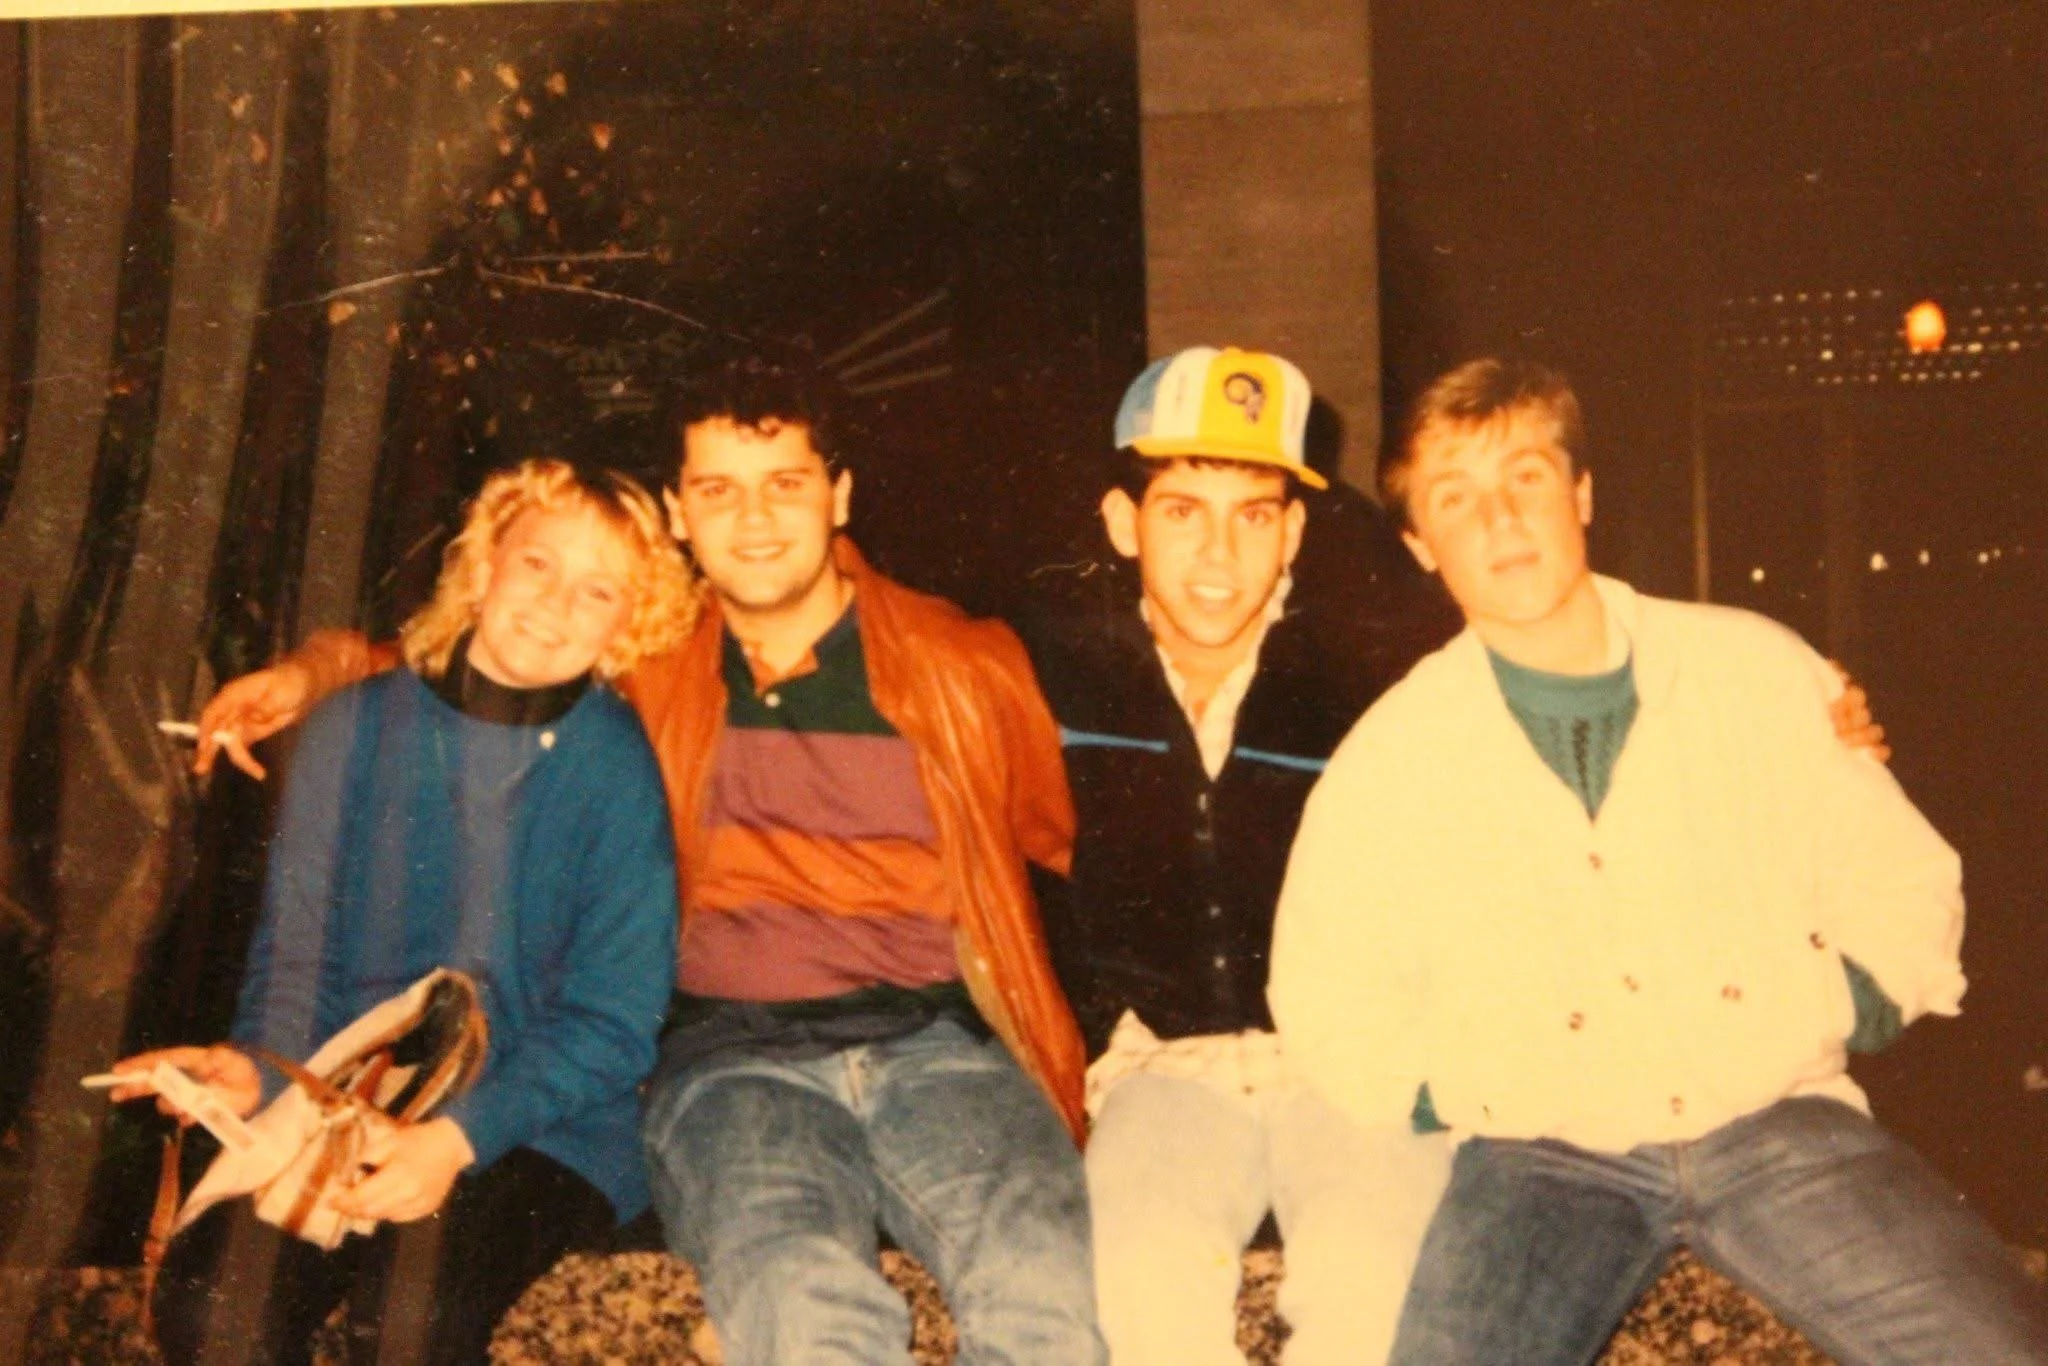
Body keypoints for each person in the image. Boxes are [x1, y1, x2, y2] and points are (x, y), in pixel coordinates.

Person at [192, 353, 1106, 1365]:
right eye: (718, 491)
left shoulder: (966, 665)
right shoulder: (653, 654)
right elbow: (474, 655)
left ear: (839, 494)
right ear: (677, 512)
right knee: (810, 1316)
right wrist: (304, 671)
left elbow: (1068, 850)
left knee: (1048, 1301)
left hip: (940, 1044)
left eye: (785, 485)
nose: (753, 521)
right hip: (735, 1059)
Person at [1269, 357, 2048, 1365]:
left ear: (1581, 493)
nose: (1500, 519)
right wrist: (1470, 1087)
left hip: (1779, 1122)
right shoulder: (1389, 756)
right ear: (1420, 544)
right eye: (1455, 499)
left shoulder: (1756, 667)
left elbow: (1901, 879)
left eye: (1527, 478)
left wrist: (1833, 1004)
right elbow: (1325, 995)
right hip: (1542, 1158)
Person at [115, 458, 689, 1364]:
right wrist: (255, 1073)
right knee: (208, 1306)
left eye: (599, 590)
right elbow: (296, 963)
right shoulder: (351, 729)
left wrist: (457, 1140)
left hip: (540, 1125)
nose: (554, 607)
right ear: (487, 560)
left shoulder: (614, 767)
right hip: (353, 1096)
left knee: (412, 1320)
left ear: (631, 621)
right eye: (538, 564)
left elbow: (616, 1021)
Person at [1026, 345, 1458, 1364]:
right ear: (1123, 522)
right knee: (1140, 1281)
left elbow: (1560, 682)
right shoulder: (1052, 683)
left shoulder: (1374, 685)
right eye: (1182, 510)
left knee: (1372, 1284)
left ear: (1293, 530)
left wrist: (1807, 716)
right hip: (1158, 1068)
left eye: (1252, 513)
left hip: (1346, 1064)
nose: (1218, 553)